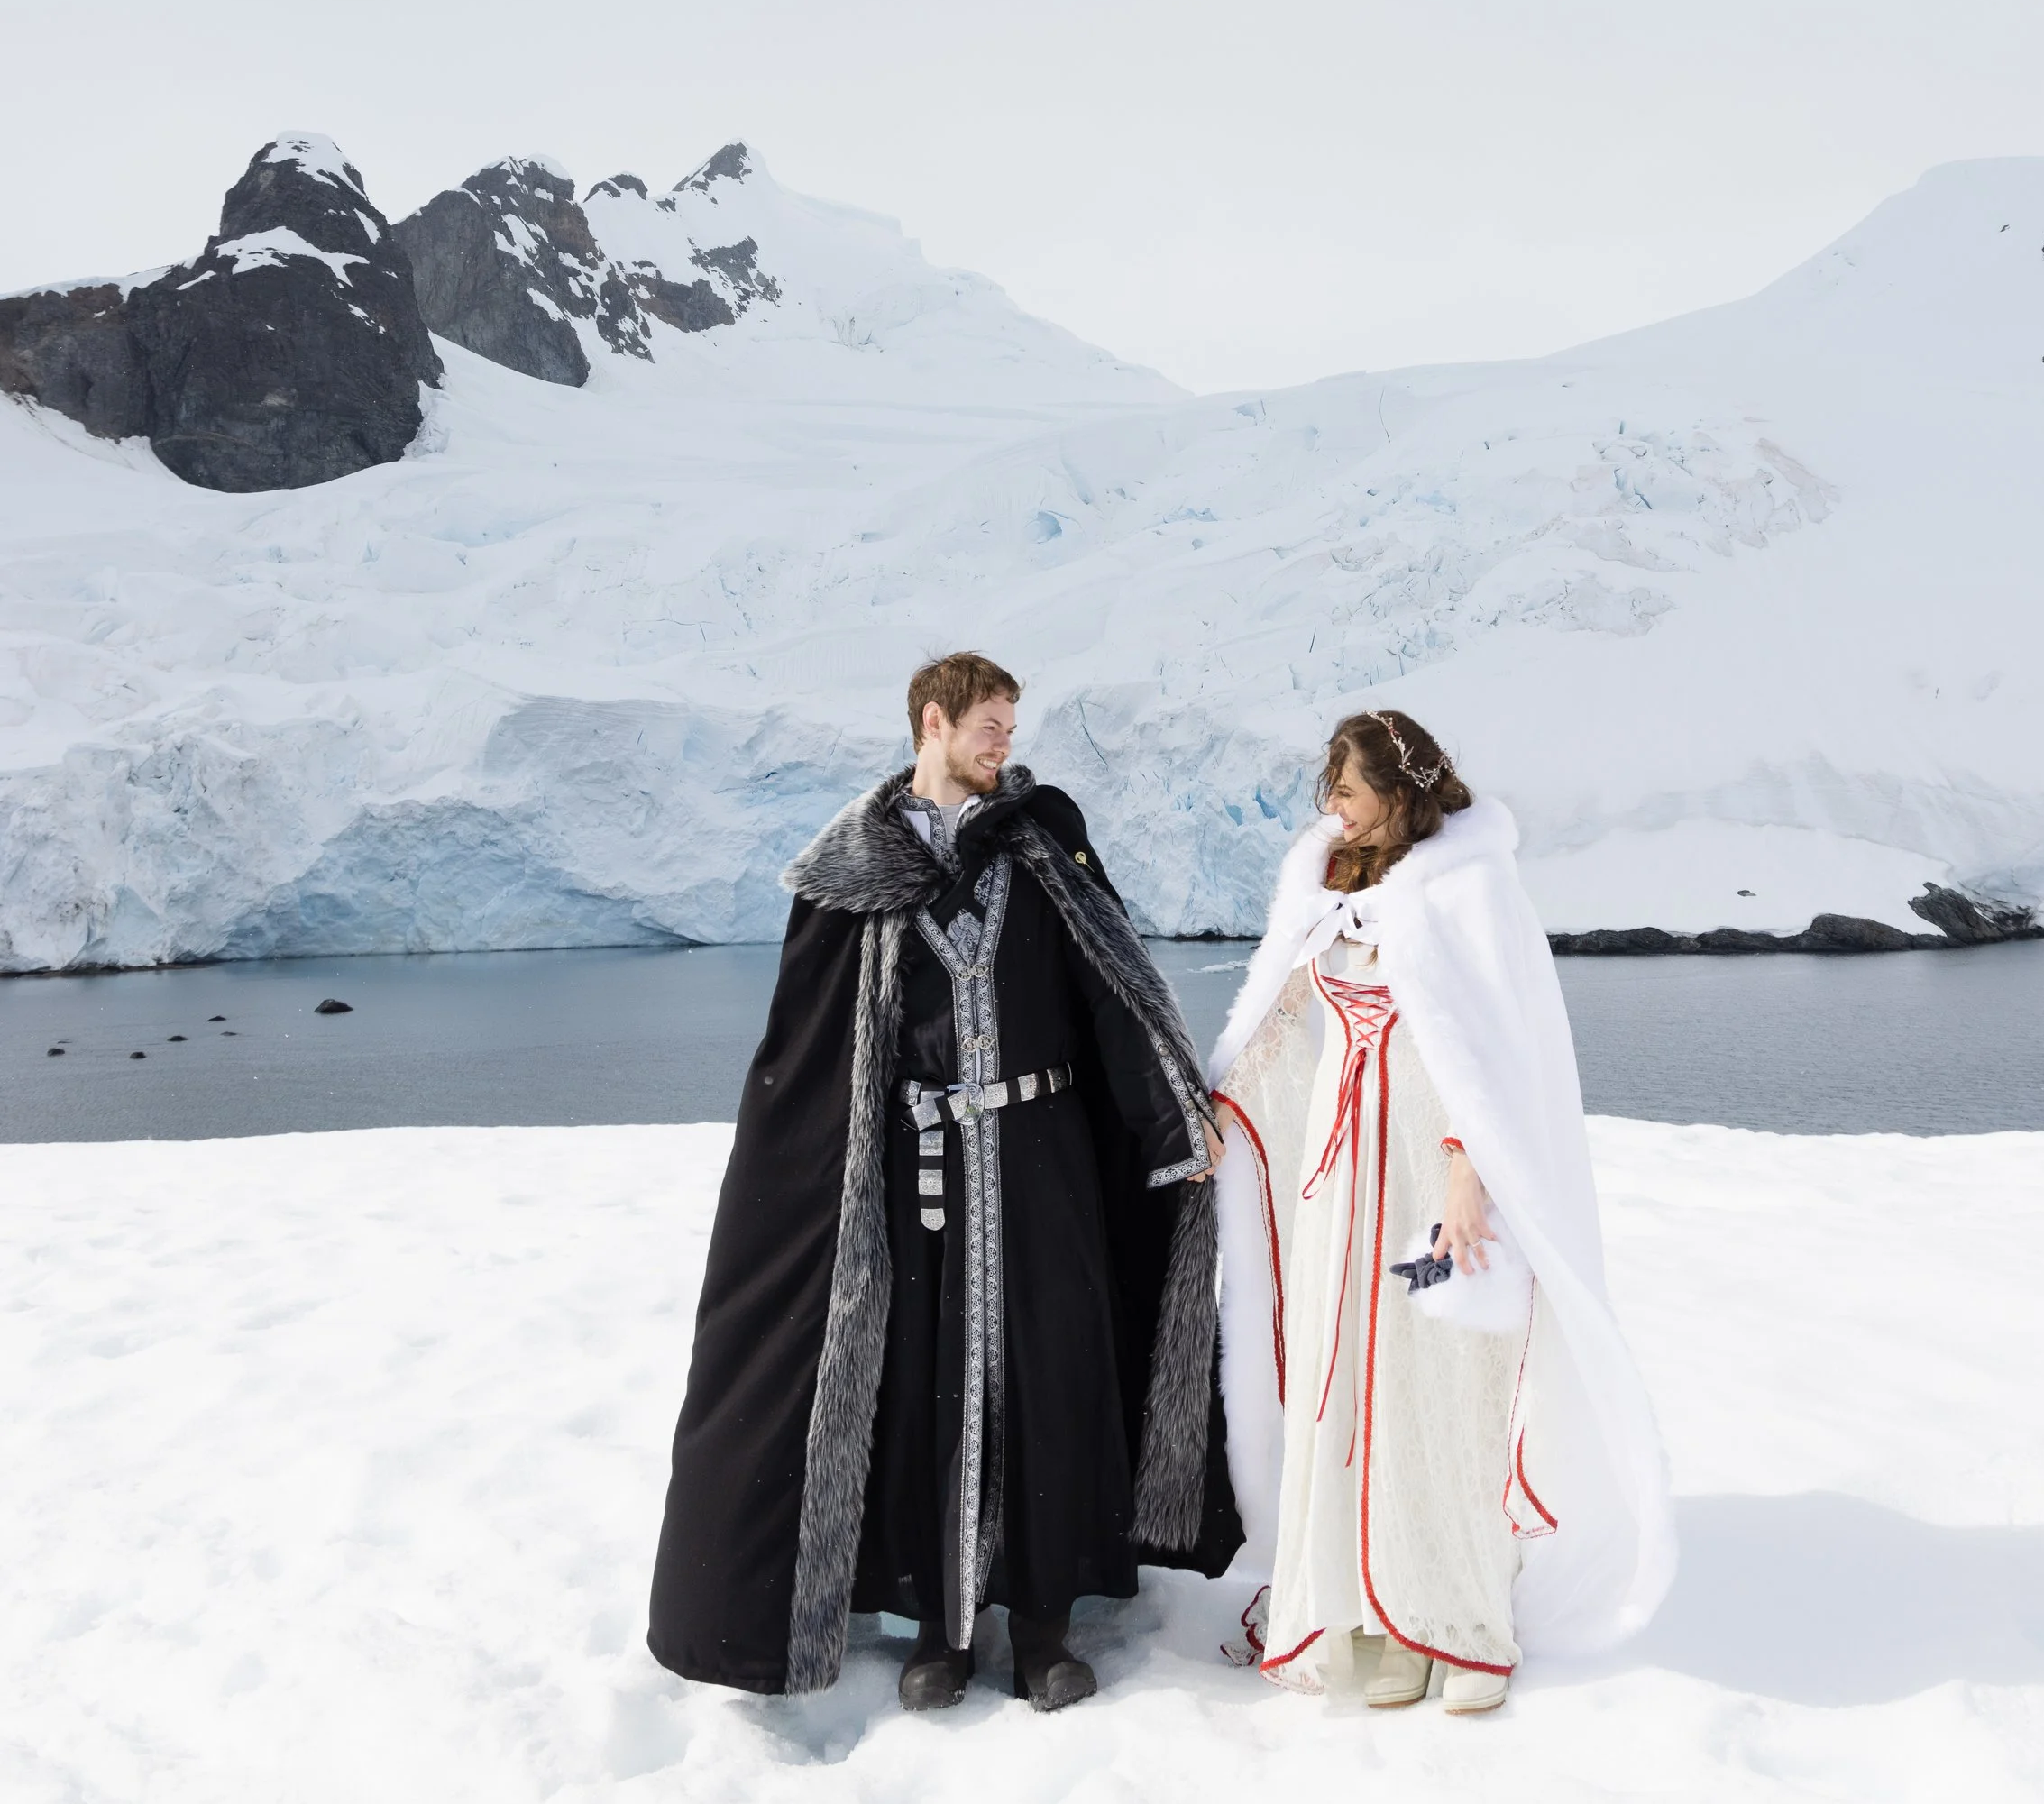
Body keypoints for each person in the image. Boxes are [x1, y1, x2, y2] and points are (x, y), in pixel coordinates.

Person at [649, 652, 1239, 1713]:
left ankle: (1046, 1626)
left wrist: (1168, 1119)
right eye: (990, 724)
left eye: (1011, 725)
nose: (1006, 742)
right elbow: (813, 1052)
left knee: (1048, 1384)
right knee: (928, 1390)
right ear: (934, 721)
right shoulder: (851, 880)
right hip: (918, 1180)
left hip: (1046, 1163)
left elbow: (1115, 989)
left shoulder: (1045, 847)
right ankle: (941, 1629)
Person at [1210, 710, 1674, 1711]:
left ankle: (1456, 1615)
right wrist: (1221, 1105)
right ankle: (1367, 1605)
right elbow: (1279, 1009)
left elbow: (1504, 1043)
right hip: (1343, 1185)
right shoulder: (1324, 882)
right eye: (1326, 791)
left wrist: (1471, 1165)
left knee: (1442, 1377)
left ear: (1396, 789)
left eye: (1344, 788)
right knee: (1355, 1378)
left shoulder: (1470, 888)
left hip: (1435, 1178)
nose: (1329, 808)